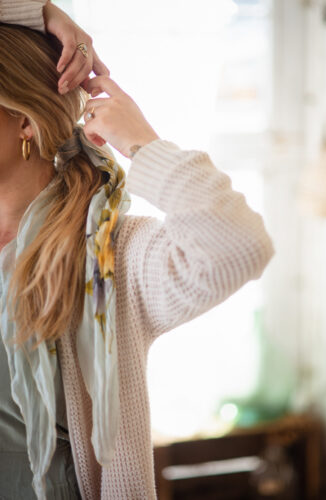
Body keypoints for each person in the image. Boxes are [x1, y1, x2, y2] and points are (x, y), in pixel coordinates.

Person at [0, 2, 274, 499]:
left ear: (22, 121)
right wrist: (39, 10)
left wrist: (143, 143)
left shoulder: (110, 256)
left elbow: (239, 245)